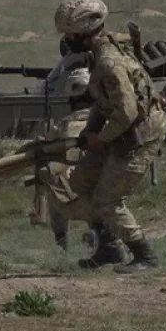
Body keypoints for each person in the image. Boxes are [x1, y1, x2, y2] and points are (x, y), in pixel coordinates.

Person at [41, 0, 166, 273]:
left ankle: (145, 255)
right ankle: (109, 248)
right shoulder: (100, 51)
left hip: (138, 134)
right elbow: (104, 102)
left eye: (70, 33)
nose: (66, 39)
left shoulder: (108, 62)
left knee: (108, 200)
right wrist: (91, 132)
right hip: (120, 129)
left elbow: (127, 113)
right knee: (80, 183)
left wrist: (99, 139)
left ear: (83, 32)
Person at [28, 66, 114, 256]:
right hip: (99, 185)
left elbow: (45, 143)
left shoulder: (64, 124)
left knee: (53, 187)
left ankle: (62, 245)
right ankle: (99, 238)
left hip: (67, 187)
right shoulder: (106, 123)